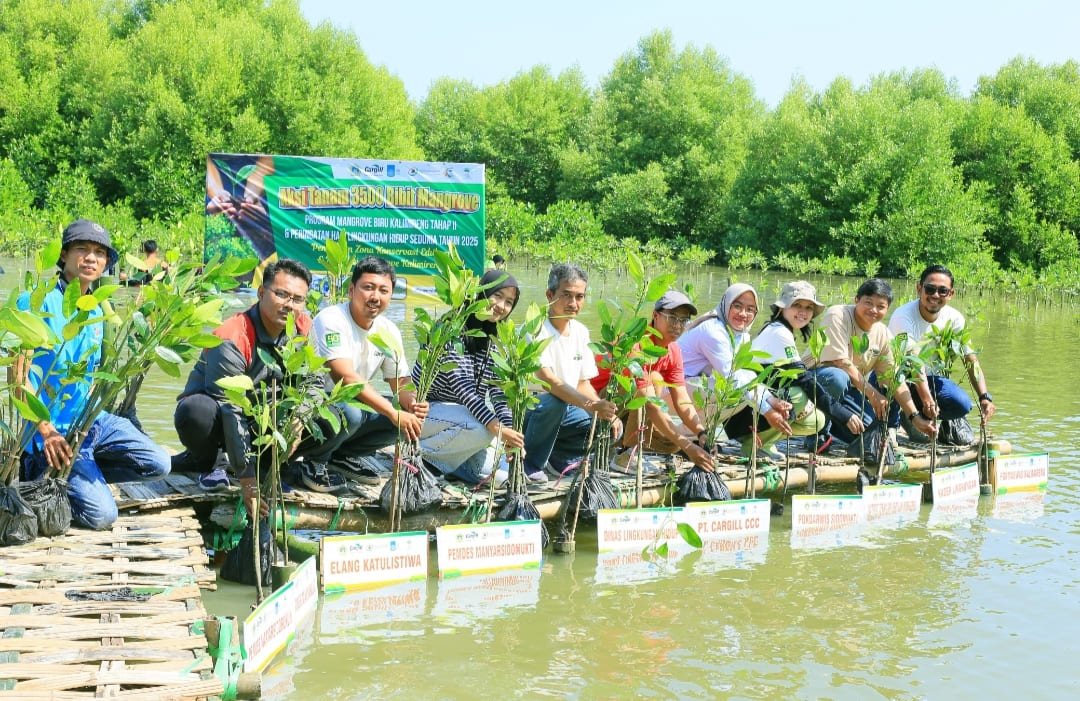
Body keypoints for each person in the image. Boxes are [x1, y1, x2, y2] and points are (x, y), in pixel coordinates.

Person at [16, 219, 170, 530]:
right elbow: (17, 381)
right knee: (103, 516)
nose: (91, 258)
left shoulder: (98, 309)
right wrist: (45, 430)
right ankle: (48, 474)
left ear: (105, 264)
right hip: (50, 432)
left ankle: (84, 468)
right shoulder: (35, 300)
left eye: (99, 253)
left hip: (89, 423)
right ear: (63, 256)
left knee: (160, 463)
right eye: (82, 249)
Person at [173, 258, 349, 505]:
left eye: (297, 299)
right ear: (261, 292)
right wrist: (247, 481)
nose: (289, 305)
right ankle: (212, 463)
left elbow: (315, 386)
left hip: (264, 421)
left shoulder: (305, 329)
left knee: (335, 416)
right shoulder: (233, 335)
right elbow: (230, 408)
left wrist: (298, 421)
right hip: (220, 422)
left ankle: (270, 466)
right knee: (196, 411)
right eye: (282, 294)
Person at [311, 255, 428, 469]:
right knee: (353, 413)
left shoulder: (388, 330)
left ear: (391, 296)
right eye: (368, 287)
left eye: (383, 291)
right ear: (351, 290)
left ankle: (342, 456)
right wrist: (392, 413)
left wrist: (413, 404)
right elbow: (344, 377)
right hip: (316, 404)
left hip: (350, 403)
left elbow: (400, 383)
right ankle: (314, 461)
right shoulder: (331, 318)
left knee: (407, 418)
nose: (375, 296)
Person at [415, 269, 523, 485]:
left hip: (461, 420)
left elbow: (497, 391)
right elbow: (464, 389)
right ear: (481, 294)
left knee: (503, 477)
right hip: (425, 414)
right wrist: (496, 428)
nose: (501, 306)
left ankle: (451, 464)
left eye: (509, 302)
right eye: (497, 296)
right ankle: (421, 461)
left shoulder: (493, 336)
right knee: (484, 430)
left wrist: (509, 433)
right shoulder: (451, 327)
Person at [590, 291, 716, 473]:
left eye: (683, 320)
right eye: (672, 317)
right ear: (655, 316)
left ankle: (622, 443)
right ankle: (627, 454)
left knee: (671, 444)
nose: (678, 325)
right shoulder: (636, 344)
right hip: (598, 407)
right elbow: (648, 401)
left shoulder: (673, 351)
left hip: (629, 410)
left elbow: (682, 400)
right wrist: (688, 446)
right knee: (653, 380)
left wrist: (701, 433)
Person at [807, 278, 936, 450]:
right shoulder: (838, 314)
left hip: (849, 389)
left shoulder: (883, 333)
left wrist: (914, 416)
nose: (874, 310)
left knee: (868, 431)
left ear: (887, 309)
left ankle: (833, 423)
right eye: (868, 303)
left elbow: (893, 379)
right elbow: (841, 362)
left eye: (881, 306)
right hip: (812, 383)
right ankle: (817, 434)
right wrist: (874, 396)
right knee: (838, 377)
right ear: (856, 300)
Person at [522, 263, 620, 484]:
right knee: (554, 403)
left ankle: (560, 457)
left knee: (609, 424)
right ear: (550, 295)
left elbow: (582, 383)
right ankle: (529, 463)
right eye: (566, 295)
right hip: (532, 409)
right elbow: (550, 382)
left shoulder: (581, 332)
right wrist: (592, 406)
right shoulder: (534, 329)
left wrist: (603, 410)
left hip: (565, 408)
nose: (573, 303)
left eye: (579, 297)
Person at [679, 283, 794, 460]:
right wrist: (768, 412)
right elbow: (731, 377)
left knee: (741, 389)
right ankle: (685, 439)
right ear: (727, 304)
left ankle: (693, 437)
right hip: (671, 391)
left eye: (750, 309)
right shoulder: (713, 330)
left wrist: (772, 400)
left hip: (690, 388)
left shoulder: (741, 335)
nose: (743, 314)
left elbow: (745, 375)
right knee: (732, 390)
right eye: (737, 306)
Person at [888, 264, 996, 441]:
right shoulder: (903, 316)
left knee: (962, 403)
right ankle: (902, 418)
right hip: (896, 378)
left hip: (929, 381)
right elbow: (914, 361)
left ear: (951, 294)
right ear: (919, 288)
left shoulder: (954, 318)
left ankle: (917, 418)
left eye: (942, 291)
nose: (935, 295)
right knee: (891, 382)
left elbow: (970, 360)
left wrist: (984, 397)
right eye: (930, 289)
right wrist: (927, 400)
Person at [736, 281, 841, 457]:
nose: (803, 312)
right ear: (782, 307)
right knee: (797, 396)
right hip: (745, 409)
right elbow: (804, 379)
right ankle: (752, 445)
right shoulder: (779, 332)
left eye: (808, 308)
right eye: (797, 305)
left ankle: (766, 441)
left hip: (756, 405)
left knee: (816, 421)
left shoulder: (783, 330)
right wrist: (844, 416)